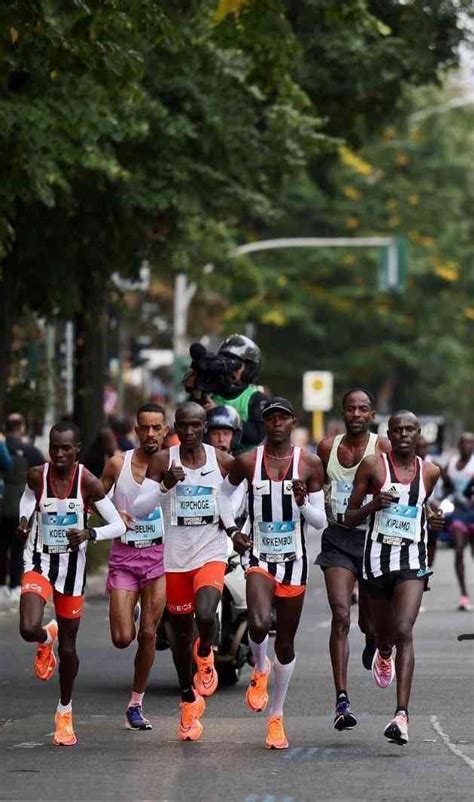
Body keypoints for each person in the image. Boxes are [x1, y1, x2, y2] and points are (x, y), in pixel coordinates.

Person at [216, 397, 327, 750]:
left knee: (286, 642)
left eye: (282, 417)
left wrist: (302, 502)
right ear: (264, 424)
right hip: (259, 558)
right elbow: (222, 494)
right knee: (260, 623)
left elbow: (320, 522)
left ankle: (276, 716)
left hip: (294, 562)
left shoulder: (309, 464)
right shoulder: (248, 461)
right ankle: (259, 669)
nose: (276, 423)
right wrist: (234, 531)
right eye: (270, 418)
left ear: (293, 422)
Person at [17, 422, 126, 746]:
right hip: (38, 560)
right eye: (55, 448)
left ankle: (64, 712)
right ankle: (42, 635)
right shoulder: (37, 475)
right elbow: (27, 499)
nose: (60, 454)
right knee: (27, 627)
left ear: (77, 449)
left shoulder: (88, 482)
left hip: (72, 571)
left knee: (68, 647)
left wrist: (90, 533)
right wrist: (25, 519)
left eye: (66, 448)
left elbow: (118, 525)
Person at [132, 402, 233, 741]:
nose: (189, 432)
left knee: (206, 613)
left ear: (204, 426)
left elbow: (238, 491)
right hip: (174, 559)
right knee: (179, 636)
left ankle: (206, 652)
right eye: (183, 426)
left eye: (196, 426)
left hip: (211, 550)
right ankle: (187, 697)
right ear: (175, 427)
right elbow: (139, 507)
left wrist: (232, 523)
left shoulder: (220, 460)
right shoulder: (163, 461)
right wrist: (163, 487)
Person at [345, 411, 444, 746]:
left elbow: (425, 511)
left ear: (418, 434)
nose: (403, 435)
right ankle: (382, 651)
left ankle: (401, 716)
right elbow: (348, 515)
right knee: (379, 632)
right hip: (375, 561)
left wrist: (435, 520)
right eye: (397, 430)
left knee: (405, 630)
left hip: (412, 560)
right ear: (388, 433)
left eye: (409, 430)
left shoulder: (430, 472)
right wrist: (373, 505)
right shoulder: (373, 466)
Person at [315, 388, 390, 731]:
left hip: (372, 540)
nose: (356, 414)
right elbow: (318, 488)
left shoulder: (382, 448)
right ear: (343, 413)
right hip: (337, 539)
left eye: (363, 409)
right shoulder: (327, 447)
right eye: (350, 409)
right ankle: (341, 699)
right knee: (341, 614)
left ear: (371, 414)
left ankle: (373, 640)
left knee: (368, 623)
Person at [100, 403, 168, 730]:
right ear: (137, 431)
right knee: (122, 638)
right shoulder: (117, 463)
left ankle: (135, 704)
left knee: (149, 635)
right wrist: (112, 516)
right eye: (146, 428)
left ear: (166, 430)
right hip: (125, 559)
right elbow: (92, 498)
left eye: (158, 427)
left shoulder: (174, 465)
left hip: (158, 559)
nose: (151, 433)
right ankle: (131, 610)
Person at [187, 334, 267, 451]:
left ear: (248, 369)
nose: (232, 371)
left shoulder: (255, 397)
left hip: (244, 463)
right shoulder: (210, 392)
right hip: (212, 462)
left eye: (237, 366)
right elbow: (190, 424)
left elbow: (256, 435)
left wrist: (218, 410)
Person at [0, 414, 45, 604]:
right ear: (22, 427)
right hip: (23, 508)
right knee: (19, 548)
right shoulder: (31, 451)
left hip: (2, 504)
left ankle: (1, 586)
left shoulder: (3, 448)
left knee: (1, 547)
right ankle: (16, 586)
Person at [443, 433, 474, 610]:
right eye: (463, 442)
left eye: (470, 443)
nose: (466, 445)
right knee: (459, 550)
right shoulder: (452, 464)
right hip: (459, 514)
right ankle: (464, 595)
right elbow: (446, 484)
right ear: (459, 444)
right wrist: (449, 495)